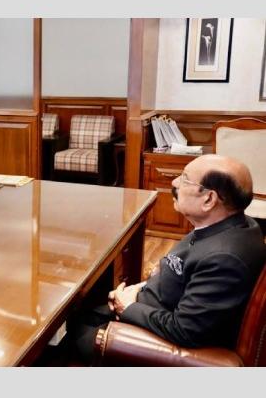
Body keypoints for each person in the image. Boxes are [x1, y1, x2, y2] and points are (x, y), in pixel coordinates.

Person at [69, 154, 266, 363]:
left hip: (150, 331)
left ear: (209, 199)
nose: (174, 183)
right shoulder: (231, 224)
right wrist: (140, 288)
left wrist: (127, 307)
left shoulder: (225, 259)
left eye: (184, 179)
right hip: (149, 302)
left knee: (72, 331)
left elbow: (184, 330)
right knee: (82, 308)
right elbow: (187, 272)